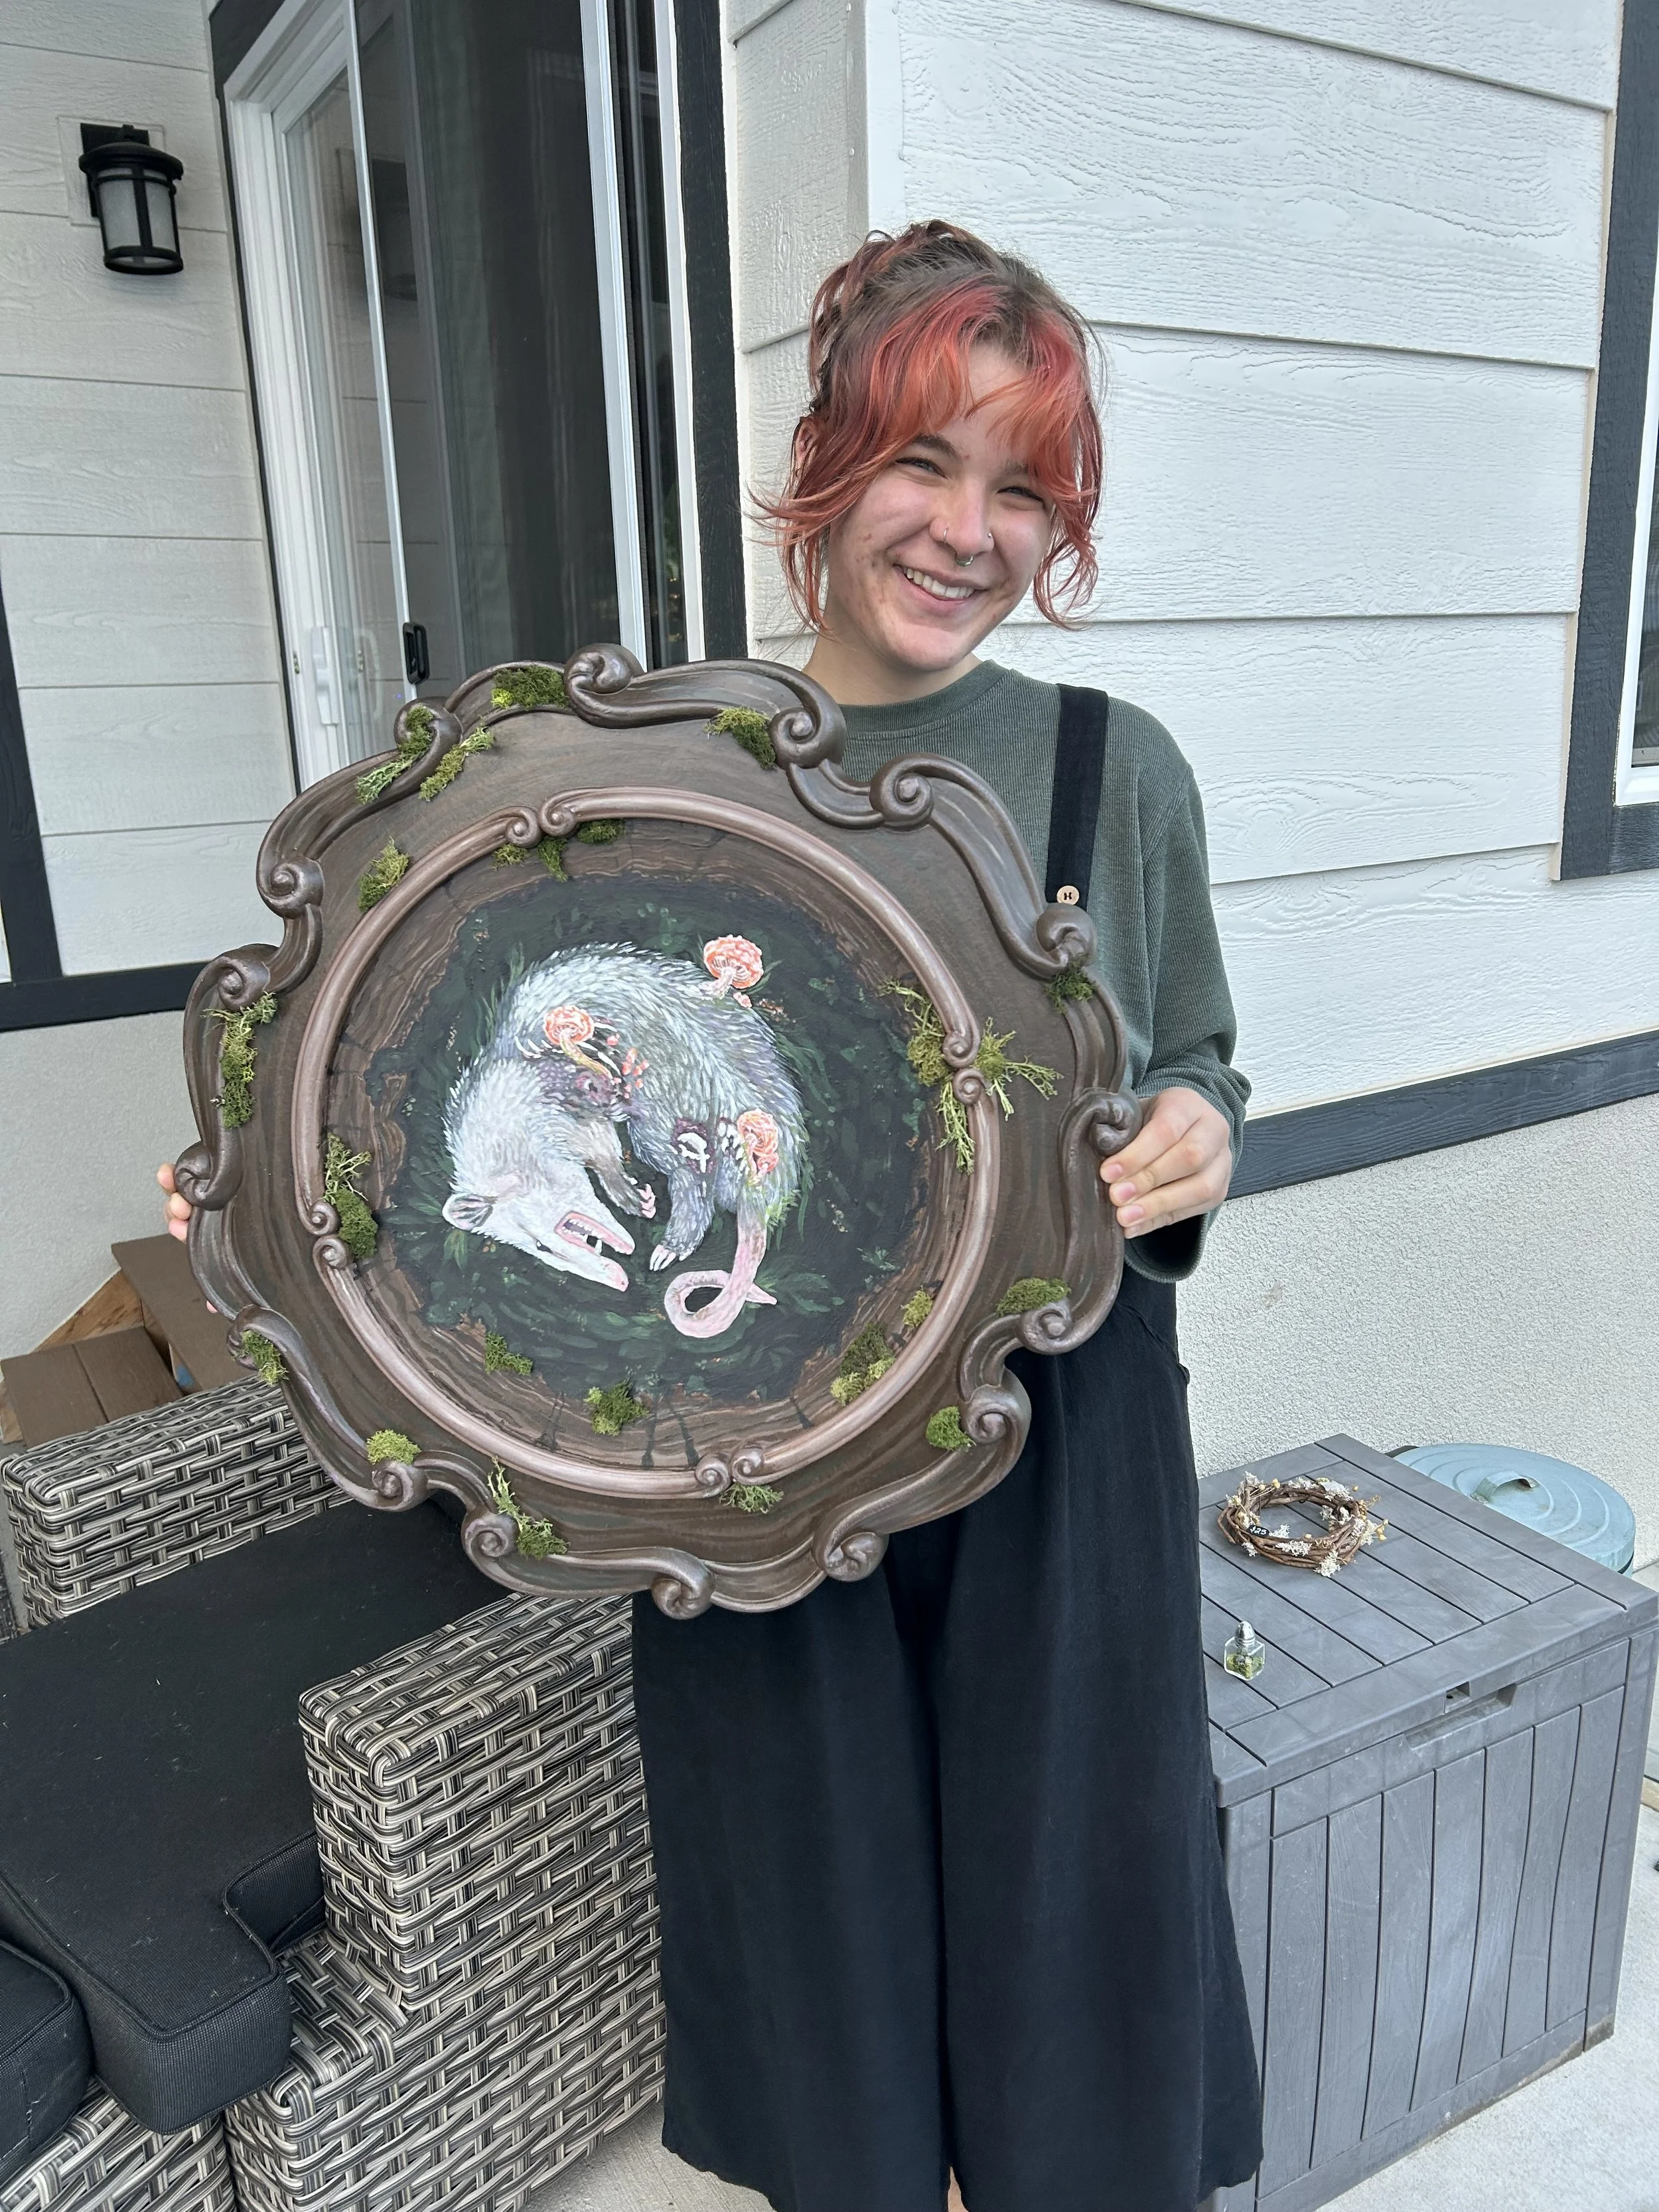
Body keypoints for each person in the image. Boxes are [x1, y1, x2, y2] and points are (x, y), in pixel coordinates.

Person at [160, 220, 1263, 2212]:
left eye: (1022, 488)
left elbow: (1194, 1053)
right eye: (924, 461)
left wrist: (1195, 1123)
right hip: (747, 1450)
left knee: (1070, 1906)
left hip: (1060, 1424)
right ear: (829, 473)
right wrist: (275, 1170)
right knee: (814, 1911)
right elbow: (494, 1058)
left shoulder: (1116, 770)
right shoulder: (658, 774)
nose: (963, 528)